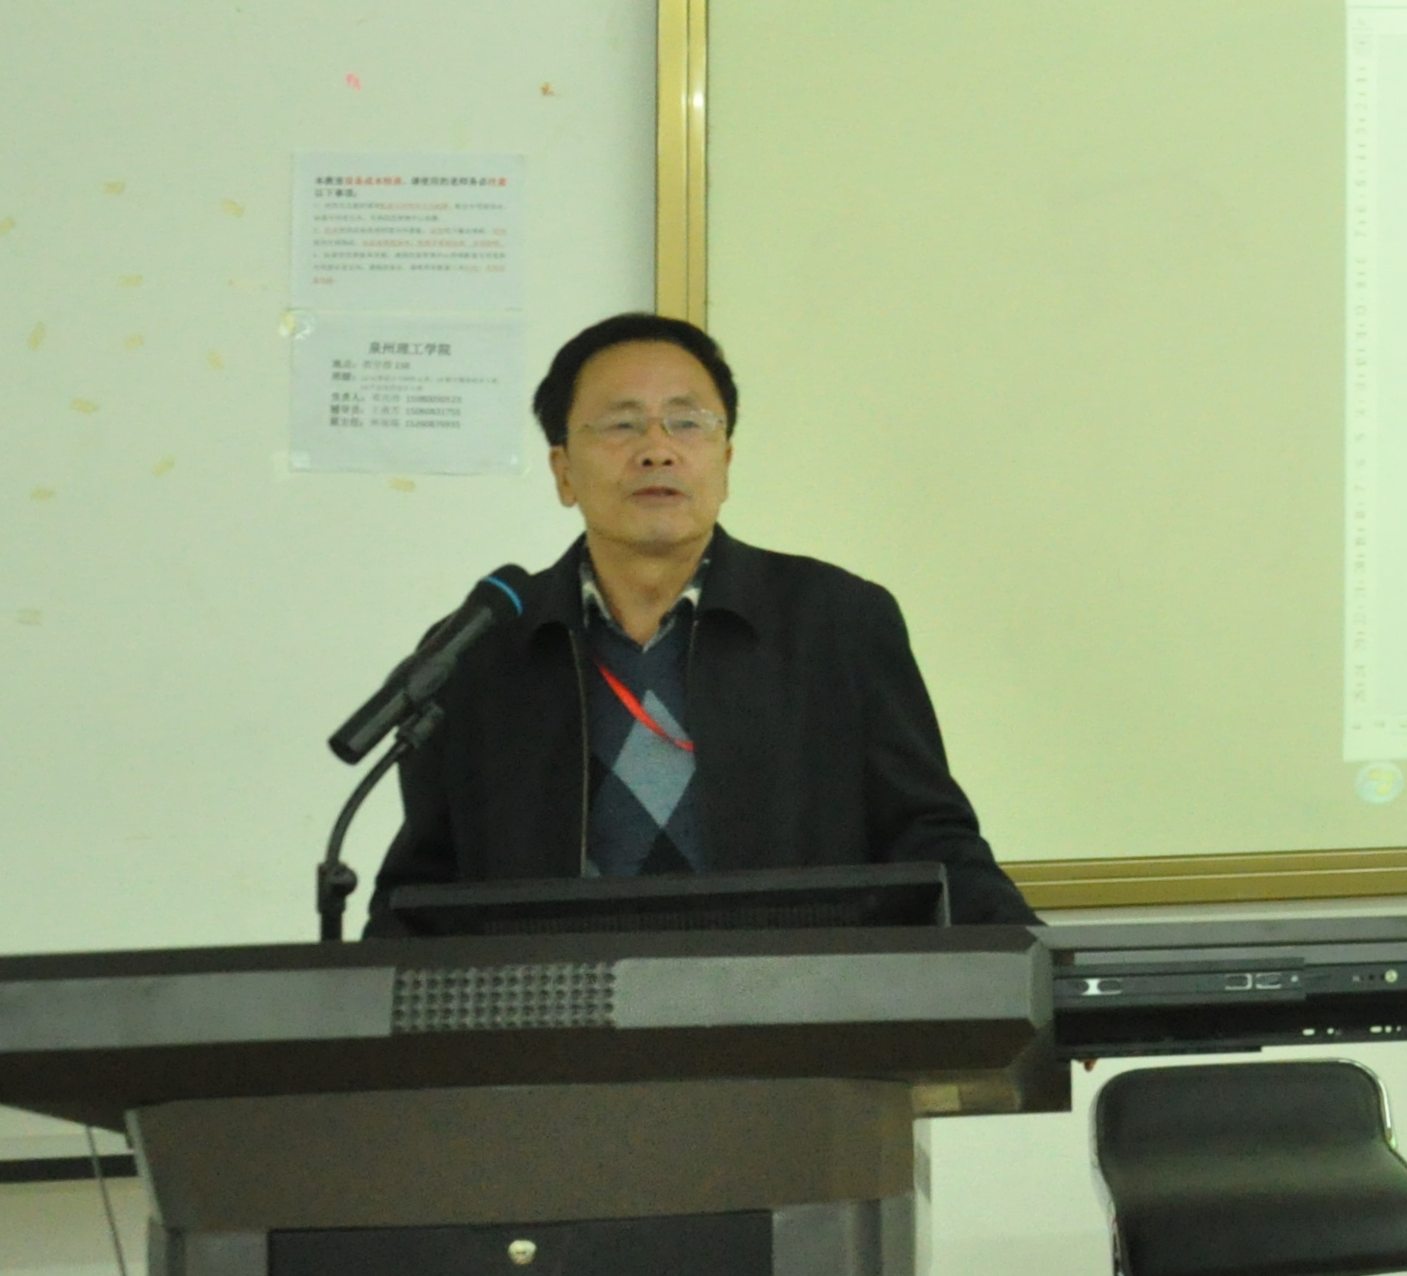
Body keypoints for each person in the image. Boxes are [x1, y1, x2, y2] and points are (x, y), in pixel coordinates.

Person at [369, 311, 1031, 925]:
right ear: (563, 470)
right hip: (559, 1010)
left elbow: (928, 837)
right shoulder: (481, 651)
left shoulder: (836, 621)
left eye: (687, 423)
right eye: (622, 425)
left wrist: (1039, 966)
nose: (657, 450)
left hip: (791, 1003)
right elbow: (423, 893)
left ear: (725, 462)